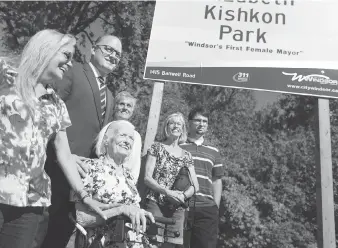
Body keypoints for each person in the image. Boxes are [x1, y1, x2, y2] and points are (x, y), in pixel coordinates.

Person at [0, 29, 107, 248]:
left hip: (28, 202)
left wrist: (85, 196)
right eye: (66, 55)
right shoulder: (5, 78)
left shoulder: (57, 105)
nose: (70, 63)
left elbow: (64, 155)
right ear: (46, 50)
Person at [43, 34, 122, 248]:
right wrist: (64, 153)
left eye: (118, 54)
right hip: (53, 170)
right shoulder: (73, 71)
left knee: (58, 237)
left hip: (81, 182)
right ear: (93, 49)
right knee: (36, 232)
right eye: (108, 49)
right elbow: (48, 110)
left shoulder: (111, 96)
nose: (113, 55)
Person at [73, 120, 154, 248]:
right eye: (122, 135)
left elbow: (131, 211)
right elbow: (80, 217)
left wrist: (140, 214)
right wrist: (119, 211)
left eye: (131, 138)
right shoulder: (90, 168)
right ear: (106, 140)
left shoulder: (129, 176)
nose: (128, 141)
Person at [144, 112, 199, 248]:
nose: (175, 126)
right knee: (152, 243)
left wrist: (182, 196)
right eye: (172, 123)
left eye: (179, 123)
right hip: (156, 202)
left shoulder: (187, 155)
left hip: (177, 207)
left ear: (183, 129)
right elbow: (147, 178)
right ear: (166, 127)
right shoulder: (156, 147)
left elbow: (195, 186)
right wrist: (167, 192)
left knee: (170, 245)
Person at [180, 107, 225, 248]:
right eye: (198, 120)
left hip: (207, 209)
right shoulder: (179, 146)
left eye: (205, 121)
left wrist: (215, 206)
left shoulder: (214, 151)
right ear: (189, 122)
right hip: (181, 206)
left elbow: (217, 180)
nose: (201, 124)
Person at [113, 90, 142, 184]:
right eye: (122, 104)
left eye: (129, 105)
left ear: (132, 110)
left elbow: (136, 164)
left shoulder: (136, 136)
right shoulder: (108, 128)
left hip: (124, 183)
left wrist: (131, 184)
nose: (125, 108)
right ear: (115, 106)